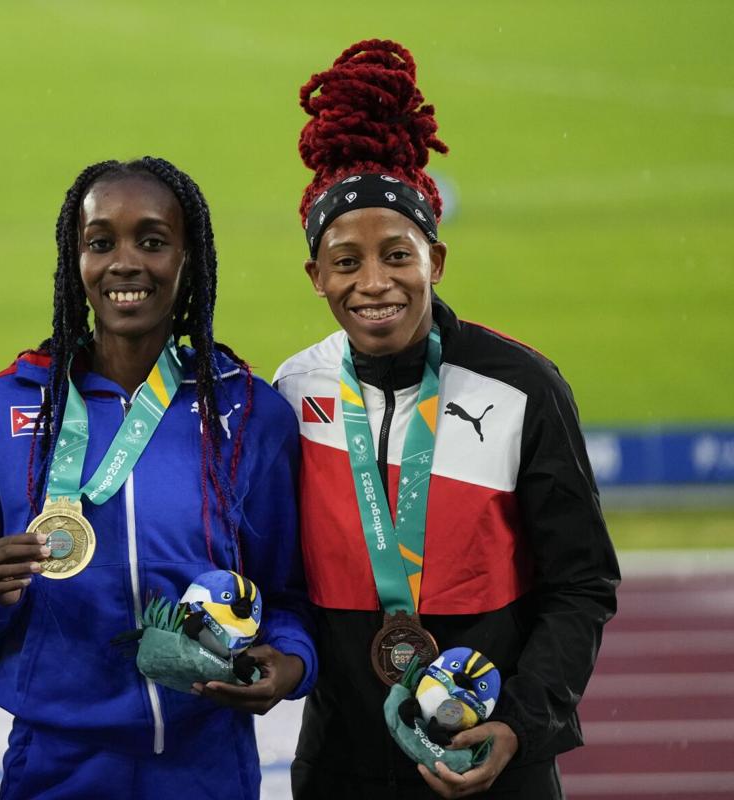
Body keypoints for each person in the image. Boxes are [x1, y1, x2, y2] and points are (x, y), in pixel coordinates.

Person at [273, 40, 620, 798]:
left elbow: (582, 583)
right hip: (341, 769)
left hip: (493, 766)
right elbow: (281, 574)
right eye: (346, 261)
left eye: (397, 255)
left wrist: (522, 724)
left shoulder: (524, 387)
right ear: (315, 276)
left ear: (436, 259)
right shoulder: (294, 391)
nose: (374, 283)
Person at [0, 156, 316, 798]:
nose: (125, 264)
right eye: (100, 242)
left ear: (187, 257)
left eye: (152, 241)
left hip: (208, 764)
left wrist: (290, 663)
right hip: (56, 764)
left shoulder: (251, 413)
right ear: (74, 259)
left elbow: (288, 595)